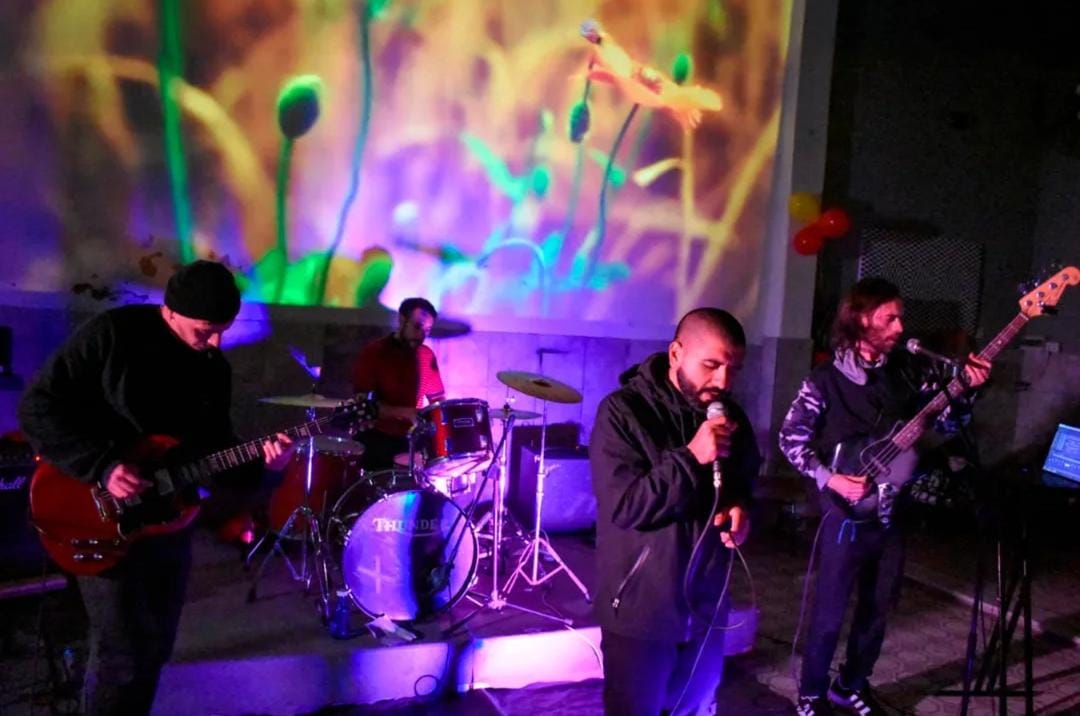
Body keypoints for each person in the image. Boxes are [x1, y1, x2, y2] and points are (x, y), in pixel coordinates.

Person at [18, 260, 294, 716]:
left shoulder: (212, 368)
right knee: (121, 653)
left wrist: (265, 464)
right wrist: (103, 467)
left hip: (168, 523)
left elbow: (214, 452)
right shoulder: (112, 335)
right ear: (171, 311)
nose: (215, 343)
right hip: (95, 510)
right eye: (205, 330)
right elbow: (38, 407)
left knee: (156, 647)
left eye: (222, 331)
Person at [779, 277, 990, 716]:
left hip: (893, 511)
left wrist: (968, 391)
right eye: (889, 318)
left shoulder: (905, 374)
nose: (900, 327)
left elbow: (946, 422)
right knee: (830, 612)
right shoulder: (824, 381)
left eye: (900, 318)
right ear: (860, 319)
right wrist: (830, 479)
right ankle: (812, 693)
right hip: (844, 515)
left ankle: (851, 684)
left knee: (878, 609)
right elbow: (790, 439)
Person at [589, 307, 761, 716]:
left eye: (733, 369)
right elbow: (626, 506)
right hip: (641, 611)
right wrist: (691, 456)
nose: (723, 382)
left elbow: (743, 481)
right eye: (711, 365)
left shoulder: (730, 416)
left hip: (706, 607)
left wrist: (741, 509)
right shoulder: (623, 413)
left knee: (696, 707)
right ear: (676, 354)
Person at [350, 297, 445, 470]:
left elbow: (438, 401)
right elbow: (363, 405)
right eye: (417, 326)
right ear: (402, 320)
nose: (422, 335)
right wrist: (406, 412)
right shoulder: (374, 352)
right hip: (376, 439)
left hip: (411, 441)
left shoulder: (426, 356)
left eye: (427, 330)